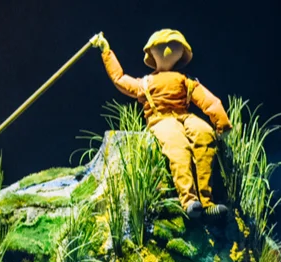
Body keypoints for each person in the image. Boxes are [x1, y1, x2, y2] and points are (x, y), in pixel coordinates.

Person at [88, 29, 231, 219]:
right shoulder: (146, 83)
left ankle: (207, 202)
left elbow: (208, 100)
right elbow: (120, 79)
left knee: (204, 133)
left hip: (184, 115)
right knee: (177, 145)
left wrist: (222, 123)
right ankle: (189, 200)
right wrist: (106, 51)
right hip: (160, 119)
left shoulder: (185, 81)